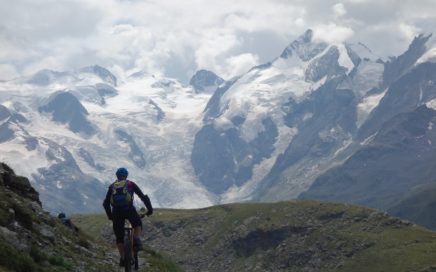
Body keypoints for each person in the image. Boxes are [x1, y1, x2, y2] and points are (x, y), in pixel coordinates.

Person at [102, 167, 153, 266]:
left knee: (119, 237)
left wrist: (110, 216)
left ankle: (122, 257)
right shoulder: (130, 184)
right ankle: (136, 238)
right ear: (126, 176)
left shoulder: (112, 186)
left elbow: (106, 203)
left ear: (117, 176)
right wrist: (150, 210)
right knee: (137, 223)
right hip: (129, 210)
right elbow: (143, 197)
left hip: (116, 212)